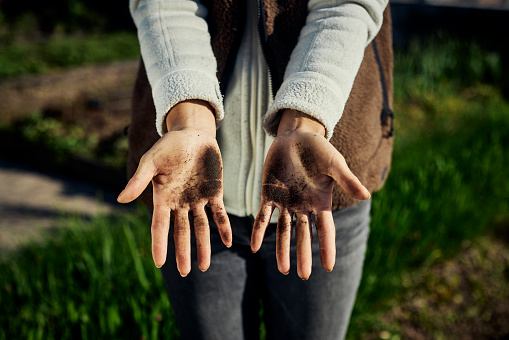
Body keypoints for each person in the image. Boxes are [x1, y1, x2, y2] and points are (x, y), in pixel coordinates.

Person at [118, 0, 394, 339]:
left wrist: (305, 121)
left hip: (317, 190)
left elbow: (347, 5)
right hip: (193, 196)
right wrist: (189, 121)